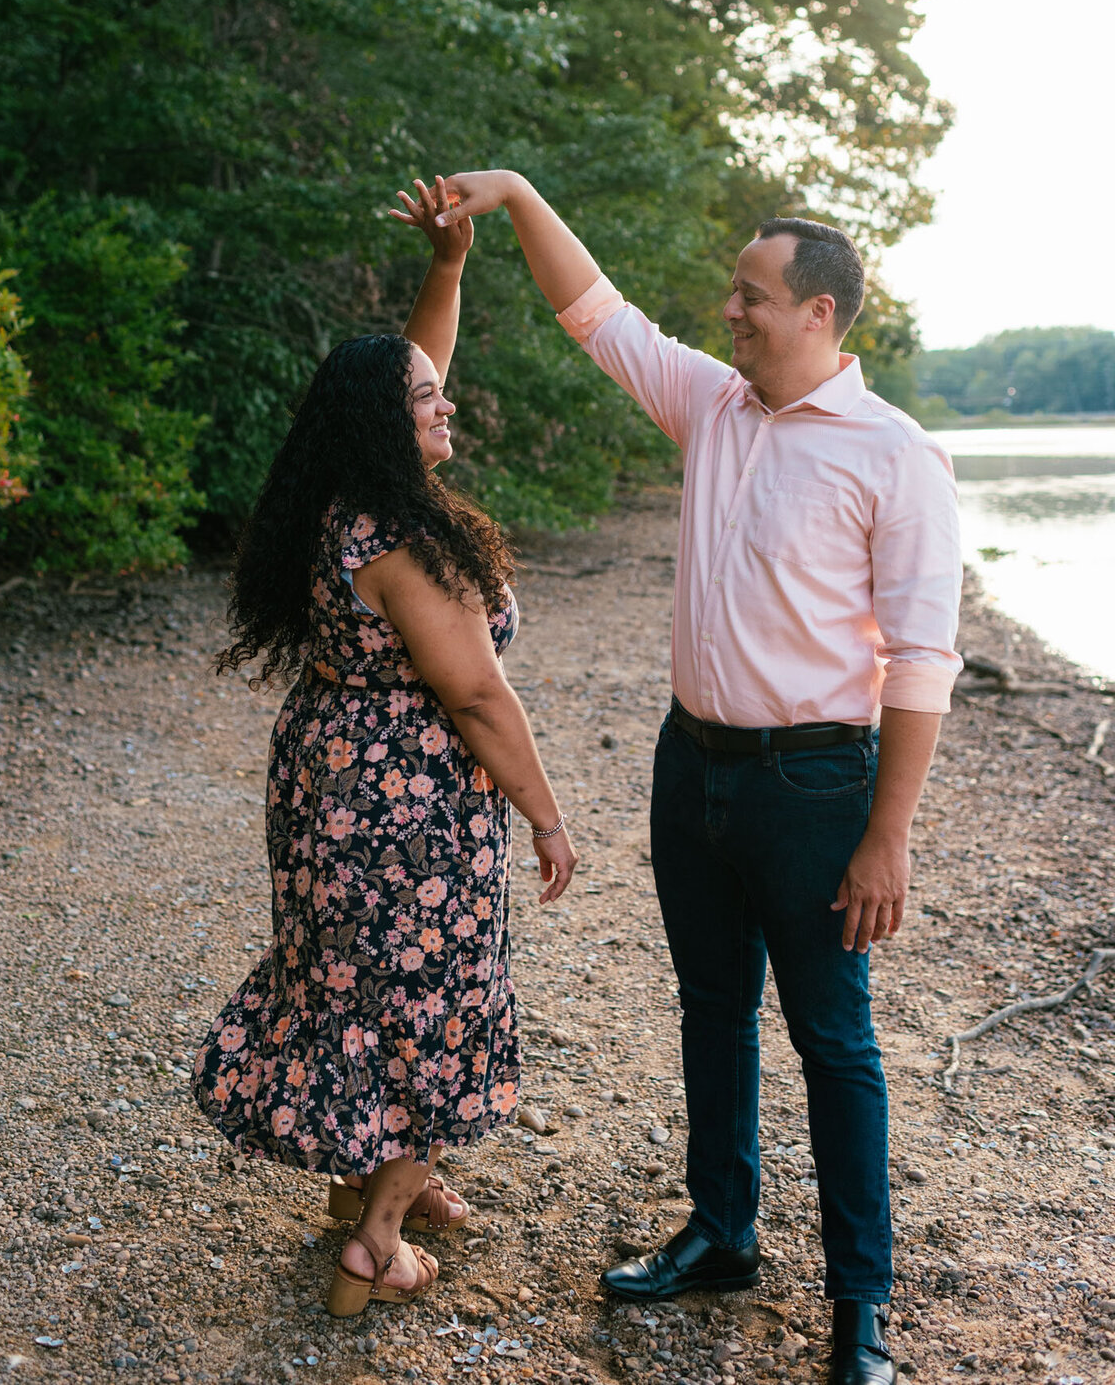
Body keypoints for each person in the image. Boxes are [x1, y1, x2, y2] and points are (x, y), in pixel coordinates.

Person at [428, 171, 962, 1385]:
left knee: (837, 1041)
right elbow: (596, 313)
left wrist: (889, 836)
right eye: (731, 294)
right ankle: (721, 1233)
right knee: (712, 1014)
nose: (731, 312)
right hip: (693, 767)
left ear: (821, 313)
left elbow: (924, 659)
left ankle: (859, 1309)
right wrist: (512, 195)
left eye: (752, 296)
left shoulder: (897, 456)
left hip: (820, 786)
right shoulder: (715, 408)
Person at [192, 178, 577, 1319]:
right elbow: (475, 697)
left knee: (354, 981)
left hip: (329, 775)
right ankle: (377, 1237)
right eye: (429, 401)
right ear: (384, 420)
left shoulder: (343, 495)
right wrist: (546, 814)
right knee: (434, 993)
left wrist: (449, 269)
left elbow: (411, 368)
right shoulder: (404, 539)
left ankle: (379, 1175)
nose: (445, 404)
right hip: (405, 796)